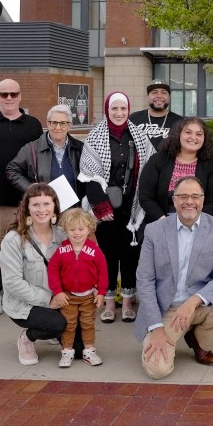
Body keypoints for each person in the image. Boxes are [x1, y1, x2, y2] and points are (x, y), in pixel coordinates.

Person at [134, 177, 213, 380]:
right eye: (183, 196)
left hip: (199, 303)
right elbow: (144, 280)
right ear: (174, 200)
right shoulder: (154, 231)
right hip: (168, 308)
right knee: (158, 371)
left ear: (203, 200)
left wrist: (194, 301)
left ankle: (199, 340)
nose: (189, 201)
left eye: (195, 196)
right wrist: (156, 328)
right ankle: (163, 336)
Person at [78, 92, 155, 324]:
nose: (119, 113)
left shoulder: (139, 136)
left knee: (130, 254)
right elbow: (87, 175)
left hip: (133, 205)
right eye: (115, 109)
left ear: (129, 109)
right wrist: (100, 205)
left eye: (123, 109)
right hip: (105, 206)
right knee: (108, 255)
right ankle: (109, 301)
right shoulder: (95, 137)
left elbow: (150, 168)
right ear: (107, 110)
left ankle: (129, 301)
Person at [0, 78, 43, 316]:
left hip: (25, 199)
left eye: (13, 94)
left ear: (20, 96)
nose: (8, 99)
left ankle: (21, 296)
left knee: (27, 251)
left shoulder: (33, 124)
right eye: (3, 94)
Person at [0, 184, 70, 366]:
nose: (42, 210)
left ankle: (55, 331)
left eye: (46, 204)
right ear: (27, 208)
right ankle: (27, 338)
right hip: (25, 303)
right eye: (35, 204)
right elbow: (13, 283)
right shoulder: (13, 240)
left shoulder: (64, 236)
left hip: (58, 299)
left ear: (54, 207)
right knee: (57, 324)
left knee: (77, 347)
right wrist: (48, 300)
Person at [138, 117, 213, 229]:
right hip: (162, 222)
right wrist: (164, 221)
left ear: (204, 139)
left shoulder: (212, 165)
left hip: (201, 224)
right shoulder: (159, 159)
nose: (193, 137)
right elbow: (146, 197)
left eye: (199, 134)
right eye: (188, 132)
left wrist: (193, 223)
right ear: (178, 134)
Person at [47, 208, 106, 368]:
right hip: (68, 296)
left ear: (89, 229)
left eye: (81, 229)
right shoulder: (61, 251)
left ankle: (89, 351)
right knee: (69, 324)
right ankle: (67, 351)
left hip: (88, 296)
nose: (77, 233)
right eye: (72, 229)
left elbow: (103, 273)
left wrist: (101, 293)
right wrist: (57, 292)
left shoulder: (94, 251)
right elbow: (52, 271)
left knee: (88, 323)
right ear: (65, 230)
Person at [6, 104, 84, 198]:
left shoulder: (80, 149)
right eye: (54, 122)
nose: (58, 127)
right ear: (47, 124)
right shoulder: (32, 149)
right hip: (43, 209)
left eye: (63, 123)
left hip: (74, 209)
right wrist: (29, 188)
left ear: (69, 126)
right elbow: (12, 170)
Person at [129, 80, 183, 151]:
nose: (159, 96)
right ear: (147, 97)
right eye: (154, 92)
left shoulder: (181, 122)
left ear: (169, 97)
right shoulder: (133, 118)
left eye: (164, 93)